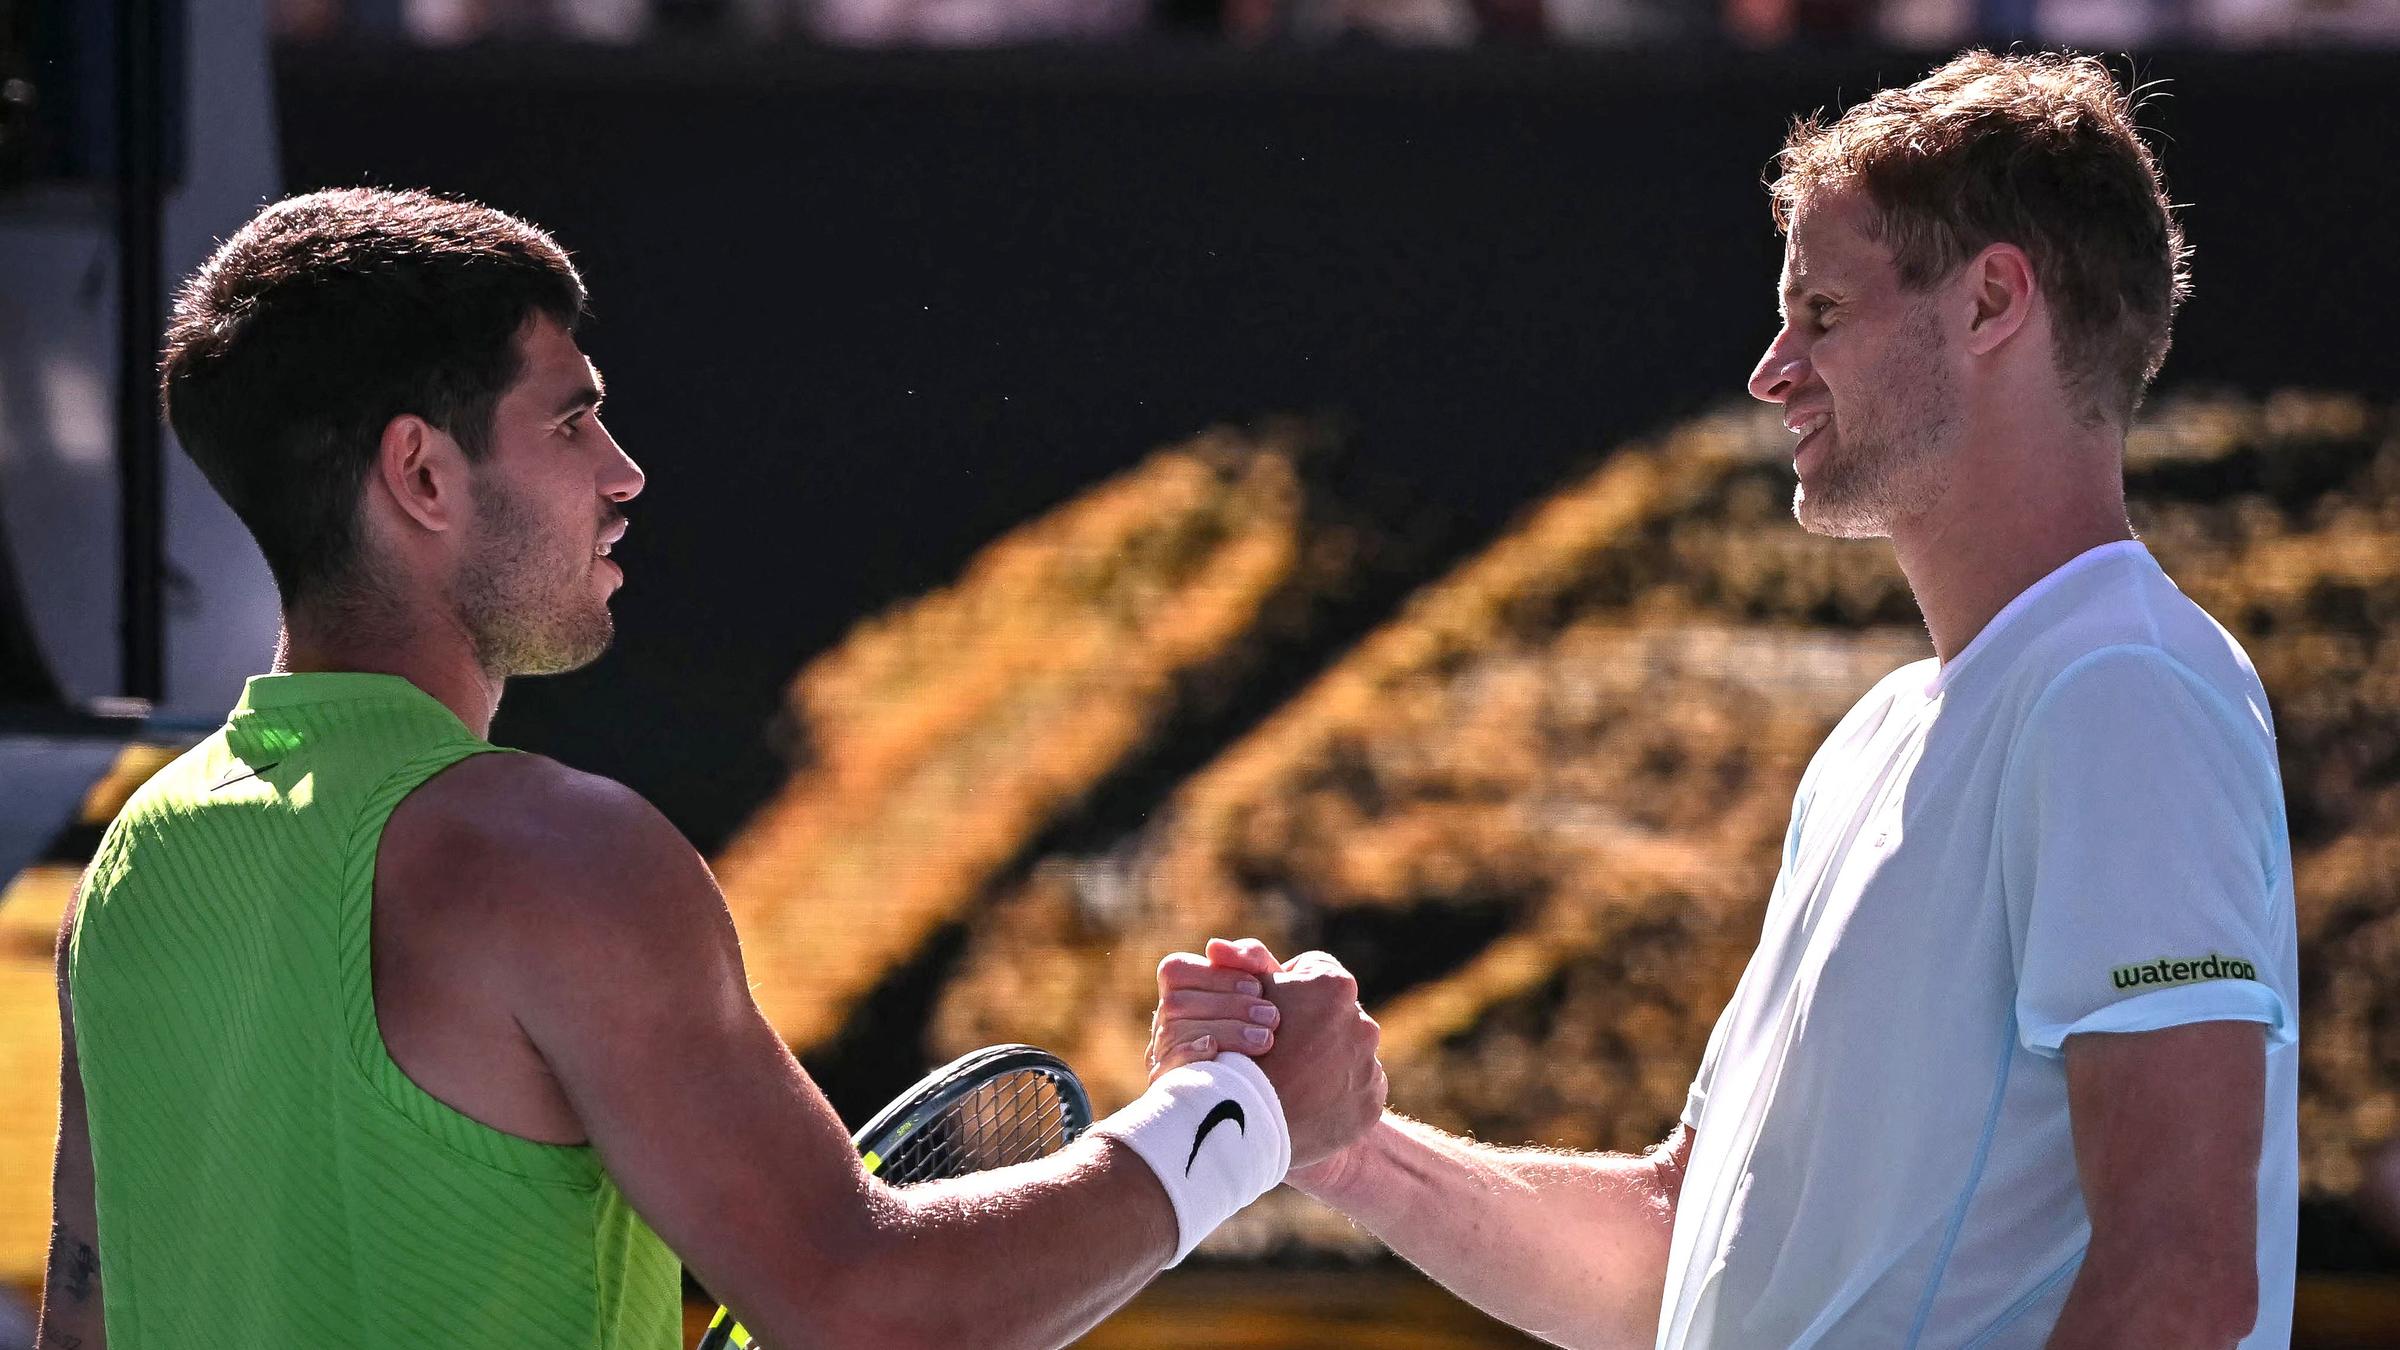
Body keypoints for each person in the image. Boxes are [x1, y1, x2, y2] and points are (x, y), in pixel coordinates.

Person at [38, 186, 1386, 1350]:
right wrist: (1244, 1117)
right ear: (423, 476)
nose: (623, 473)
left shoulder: (137, 867)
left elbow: (83, 1325)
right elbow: (869, 1310)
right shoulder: (556, 856)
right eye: (571, 422)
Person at [1153, 49, 2297, 1349]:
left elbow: (2180, 1286)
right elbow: (1676, 1245)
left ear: (1991, 302)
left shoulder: (2122, 690)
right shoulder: (1878, 741)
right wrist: (1340, 1145)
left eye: (1823, 311)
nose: (1772, 370)